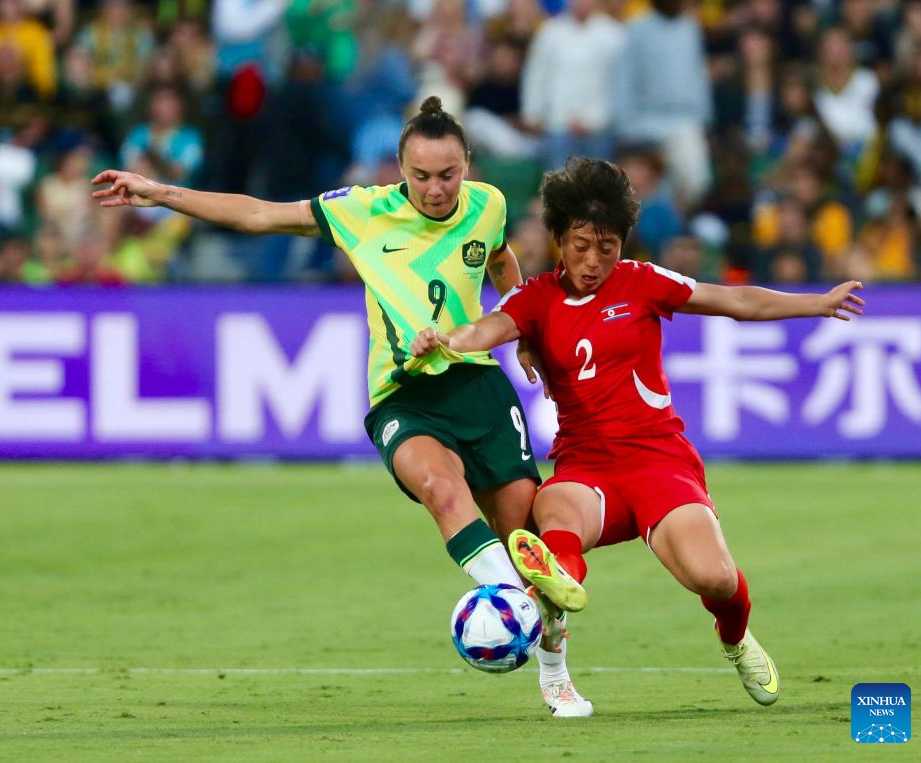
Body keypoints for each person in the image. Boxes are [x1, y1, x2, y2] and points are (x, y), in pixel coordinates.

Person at [92, 96, 592, 718]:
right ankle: (512, 601)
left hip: (479, 389)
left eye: (448, 174)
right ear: (399, 169)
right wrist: (162, 193)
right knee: (440, 489)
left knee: (524, 538)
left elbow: (499, 260)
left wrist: (523, 330)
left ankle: (553, 670)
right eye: (420, 176)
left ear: (468, 164)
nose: (435, 189)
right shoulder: (361, 211)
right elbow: (258, 214)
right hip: (403, 393)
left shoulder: (488, 204)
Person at [410, 157, 866, 707]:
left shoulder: (642, 282)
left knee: (716, 579)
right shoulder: (535, 299)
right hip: (586, 467)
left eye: (607, 247)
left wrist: (818, 303)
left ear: (623, 243)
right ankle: (555, 583)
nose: (593, 260)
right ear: (558, 240)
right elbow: (484, 330)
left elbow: (735, 301)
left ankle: (735, 637)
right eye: (581, 245)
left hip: (658, 463)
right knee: (551, 506)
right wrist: (446, 340)